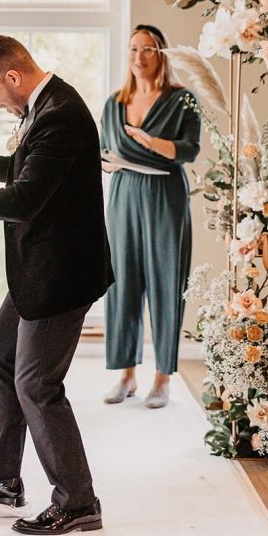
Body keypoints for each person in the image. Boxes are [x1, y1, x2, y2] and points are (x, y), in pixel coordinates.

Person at [0, 35, 113, 536]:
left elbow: (24, 200)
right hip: (41, 267)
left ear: (12, 77)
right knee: (1, 353)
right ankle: (3, 479)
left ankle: (77, 501)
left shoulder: (59, 113)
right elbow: (43, 169)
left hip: (62, 272)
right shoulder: (49, 106)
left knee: (37, 383)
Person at [100, 24, 200, 408]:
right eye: (133, 49)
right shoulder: (113, 104)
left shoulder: (182, 101)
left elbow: (187, 151)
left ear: (162, 54)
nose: (139, 57)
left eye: (148, 49)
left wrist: (148, 144)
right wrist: (116, 161)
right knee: (121, 282)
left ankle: (162, 378)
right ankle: (125, 374)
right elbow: (104, 150)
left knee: (165, 281)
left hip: (165, 195)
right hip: (124, 194)